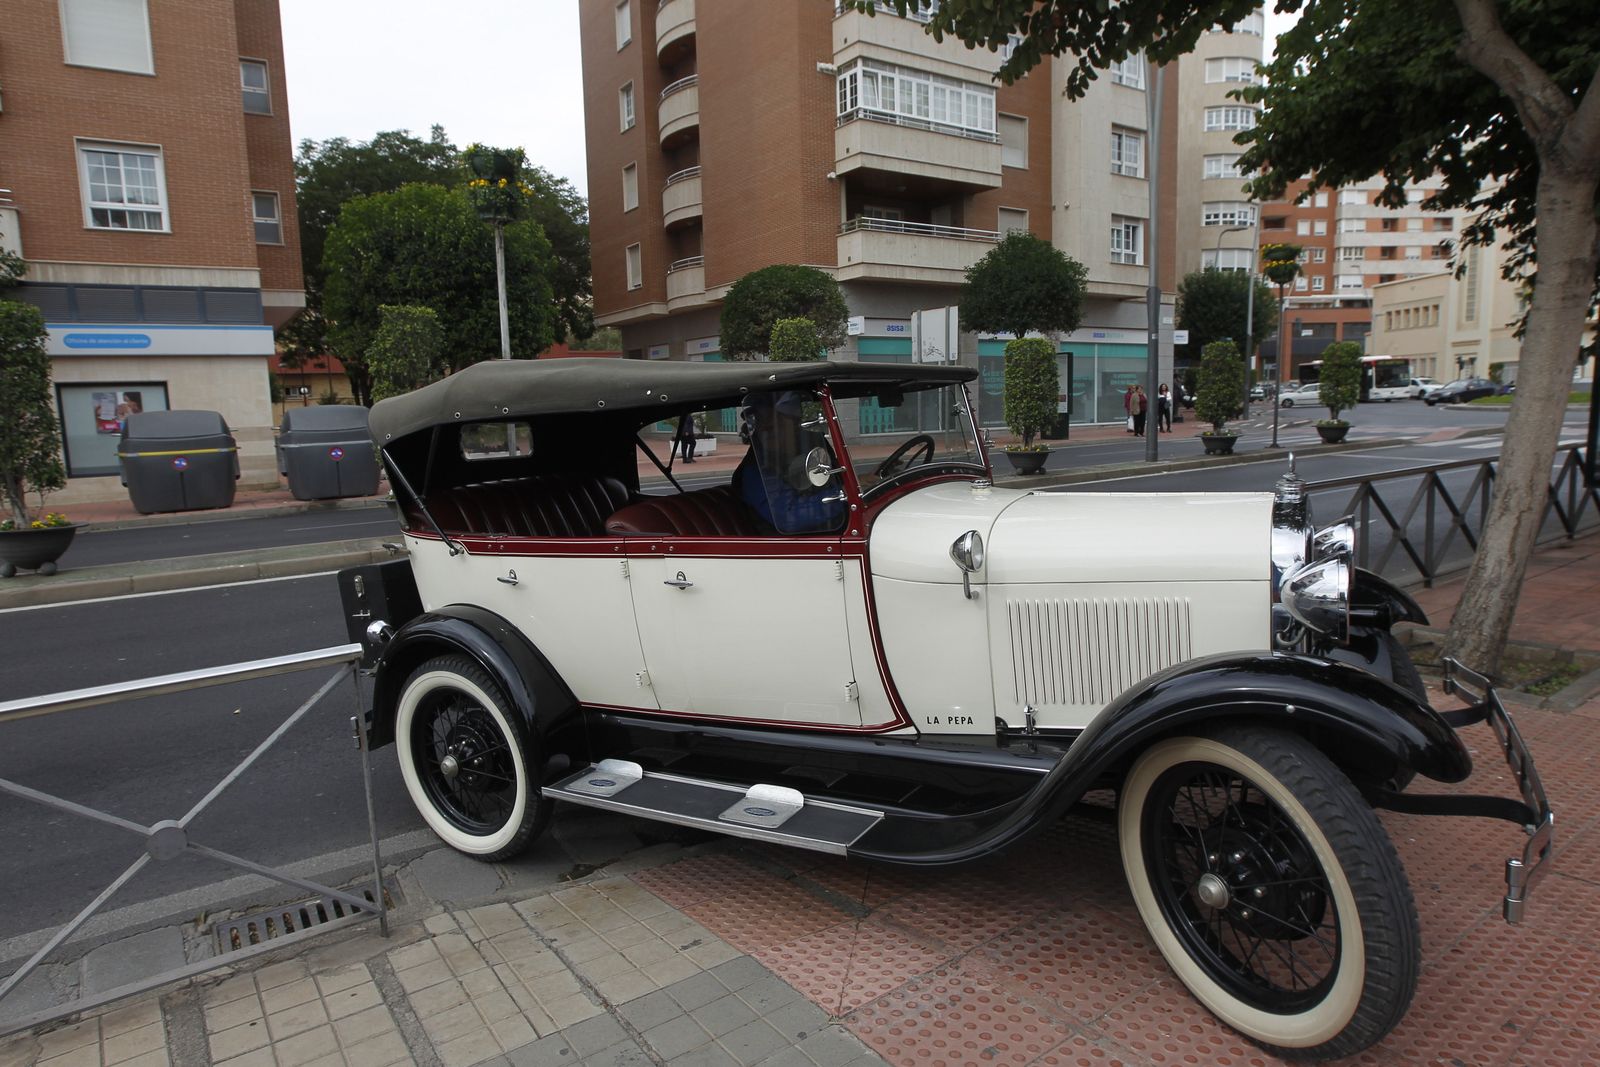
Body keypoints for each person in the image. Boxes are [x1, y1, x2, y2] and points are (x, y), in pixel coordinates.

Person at [735, 391, 846, 534]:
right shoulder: (757, 468)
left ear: (794, 423)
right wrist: (844, 494)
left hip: (833, 531)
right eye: (760, 420)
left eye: (775, 419)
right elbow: (789, 518)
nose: (766, 428)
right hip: (791, 548)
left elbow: (836, 476)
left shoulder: (811, 445)